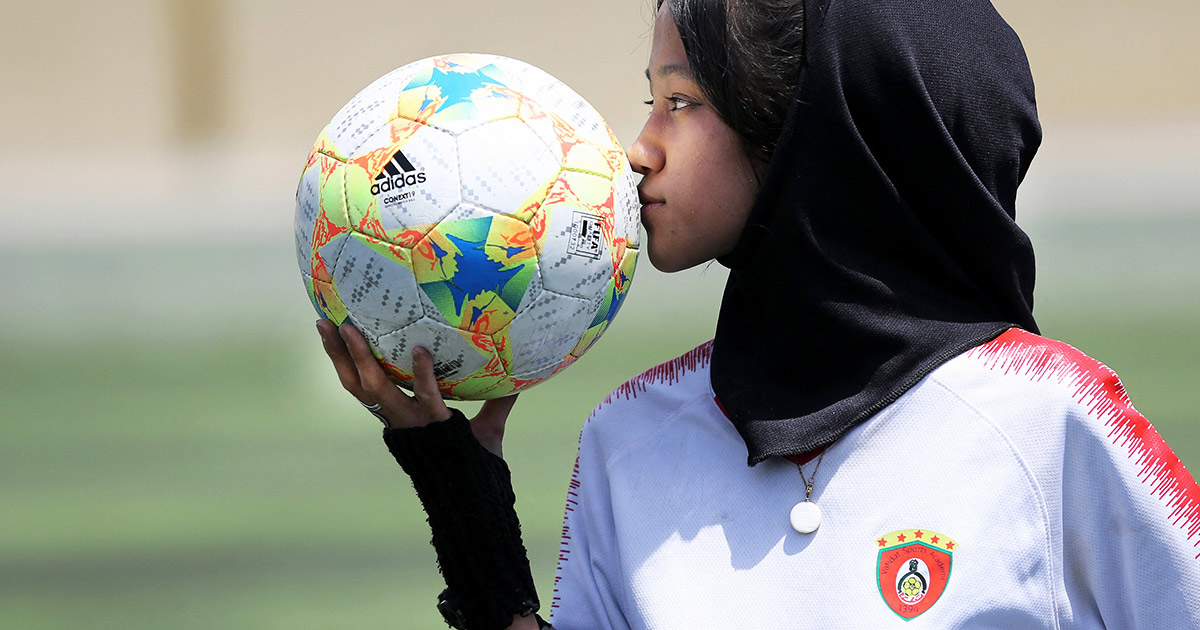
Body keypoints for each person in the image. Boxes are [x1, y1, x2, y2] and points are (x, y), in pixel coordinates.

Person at [315, 0, 1200, 628]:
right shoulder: (627, 440)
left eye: (682, 101)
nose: (639, 147)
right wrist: (477, 548)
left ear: (810, 132)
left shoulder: (1051, 424)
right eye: (650, 98)